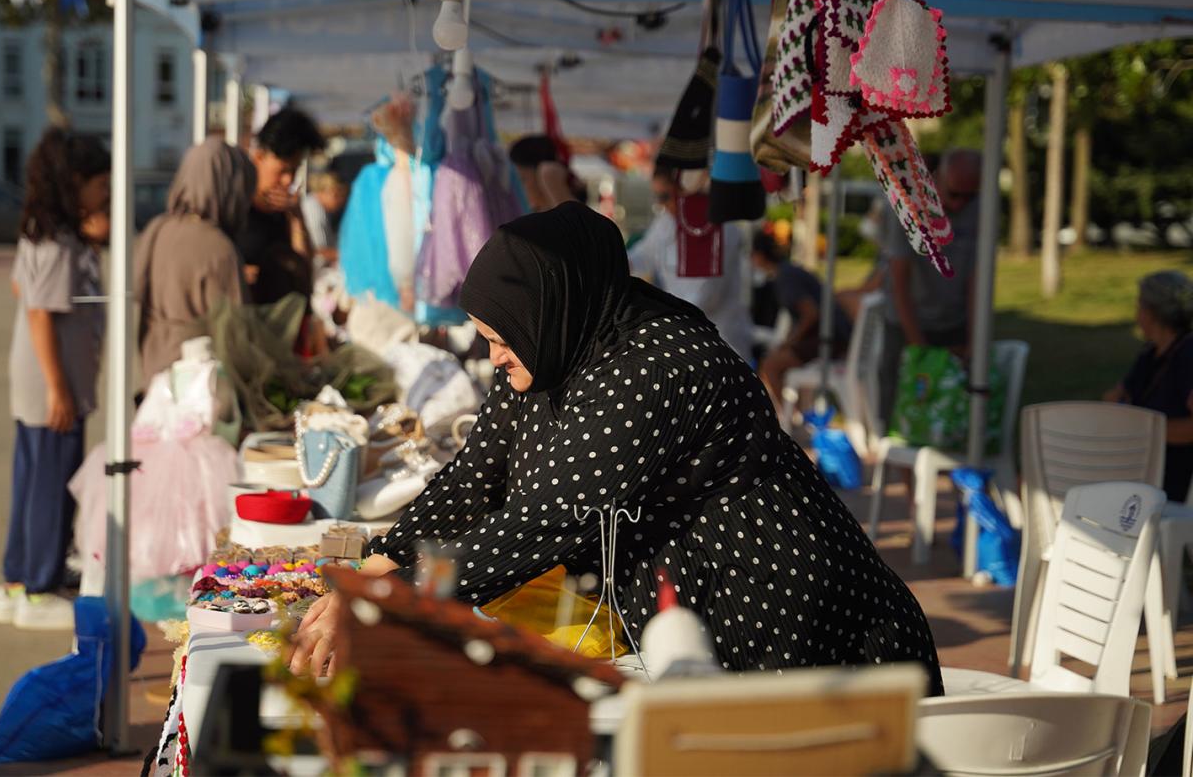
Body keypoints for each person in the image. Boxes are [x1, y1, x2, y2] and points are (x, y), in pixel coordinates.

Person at [291, 202, 942, 691]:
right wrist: (381, 561)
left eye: (499, 339)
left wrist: (394, 601)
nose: (493, 358)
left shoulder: (657, 362)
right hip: (708, 618)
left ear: (549, 307)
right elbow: (473, 479)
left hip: (795, 613)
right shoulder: (555, 344)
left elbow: (543, 520)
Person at [0, 128, 110, 630]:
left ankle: (19, 579)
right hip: (51, 385)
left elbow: (21, 286)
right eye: (99, 183)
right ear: (74, 182)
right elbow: (39, 311)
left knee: (34, 479)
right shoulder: (55, 241)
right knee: (49, 483)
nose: (105, 194)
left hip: (47, 381)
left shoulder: (48, 231)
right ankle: (38, 588)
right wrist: (59, 389)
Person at [134, 138, 256, 383]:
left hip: (154, 364)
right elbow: (235, 332)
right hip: (198, 379)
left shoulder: (157, 229)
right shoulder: (218, 247)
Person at [878, 149, 982, 424]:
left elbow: (976, 279)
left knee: (949, 411)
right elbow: (899, 282)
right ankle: (900, 465)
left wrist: (974, 339)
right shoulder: (905, 206)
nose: (960, 205)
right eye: (954, 195)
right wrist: (920, 352)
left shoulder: (980, 209)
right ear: (935, 179)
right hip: (906, 323)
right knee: (901, 411)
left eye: (969, 196)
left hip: (952, 321)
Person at [627, 167, 754, 362]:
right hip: (682, 341)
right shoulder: (666, 223)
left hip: (722, 347)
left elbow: (705, 295)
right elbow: (642, 256)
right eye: (657, 197)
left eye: (664, 196)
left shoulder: (720, 228)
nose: (661, 204)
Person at [1105, 271, 1193, 502]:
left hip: (1169, 477)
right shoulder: (1151, 354)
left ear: (1151, 312)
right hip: (1138, 466)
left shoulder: (1187, 355)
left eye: (1138, 306)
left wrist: (1145, 431)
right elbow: (1113, 398)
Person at [752, 233, 852, 407]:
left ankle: (785, 418)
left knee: (771, 366)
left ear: (759, 256)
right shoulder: (788, 271)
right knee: (774, 361)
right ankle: (792, 415)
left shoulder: (785, 278)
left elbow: (811, 313)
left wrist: (792, 341)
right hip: (832, 334)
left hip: (831, 338)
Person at [239, 108, 325, 304]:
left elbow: (304, 271)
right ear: (259, 157)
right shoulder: (235, 205)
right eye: (282, 170)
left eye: (294, 171)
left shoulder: (286, 213)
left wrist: (297, 218)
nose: (288, 180)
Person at [508, 134, 585, 212]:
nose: (515, 189)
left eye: (522, 180)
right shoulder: (528, 214)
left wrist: (553, 184)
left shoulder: (573, 214)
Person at [300, 170, 348, 268]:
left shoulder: (320, 209)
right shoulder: (312, 209)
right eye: (341, 196)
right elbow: (317, 250)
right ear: (331, 192)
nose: (342, 202)